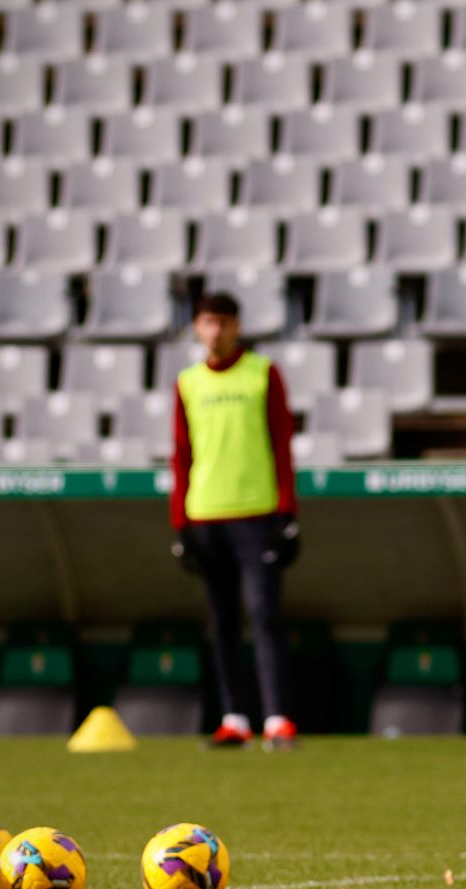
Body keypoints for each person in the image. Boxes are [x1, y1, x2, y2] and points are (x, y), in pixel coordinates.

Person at [170, 292, 300, 749]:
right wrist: (179, 520)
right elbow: (181, 454)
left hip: (258, 512)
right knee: (222, 620)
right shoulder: (187, 382)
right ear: (197, 328)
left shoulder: (262, 374)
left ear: (237, 326)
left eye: (224, 322)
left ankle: (277, 718)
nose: (217, 331)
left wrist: (288, 511)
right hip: (206, 515)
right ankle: (235, 719)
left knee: (264, 615)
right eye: (208, 322)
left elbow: (282, 444)